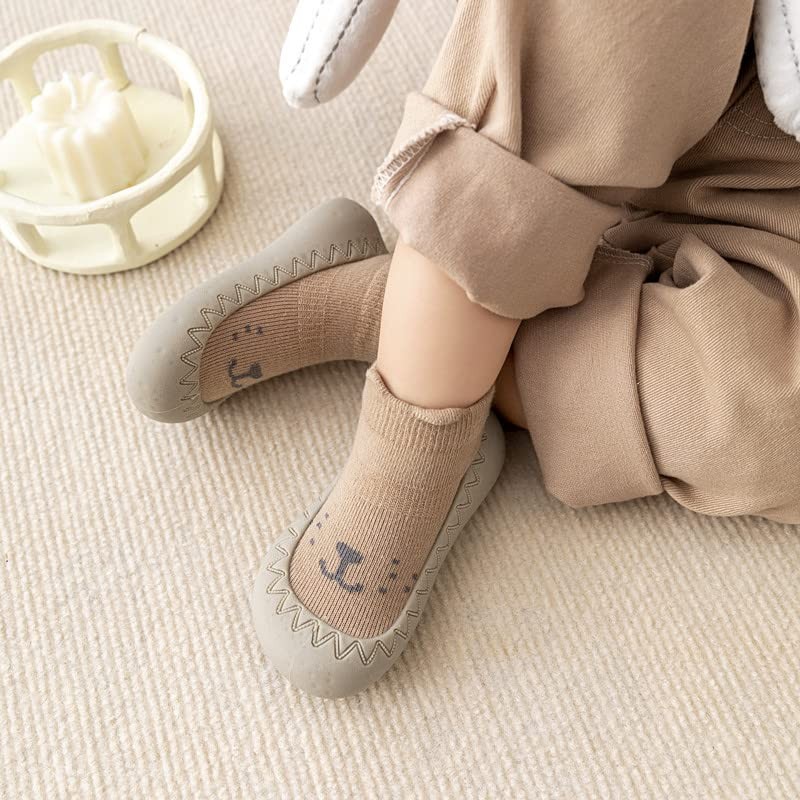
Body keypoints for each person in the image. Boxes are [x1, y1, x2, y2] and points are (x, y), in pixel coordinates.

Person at [128, 0, 800, 695]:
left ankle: (388, 308)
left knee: (773, 427)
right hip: (650, 78)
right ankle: (420, 421)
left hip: (777, 188)